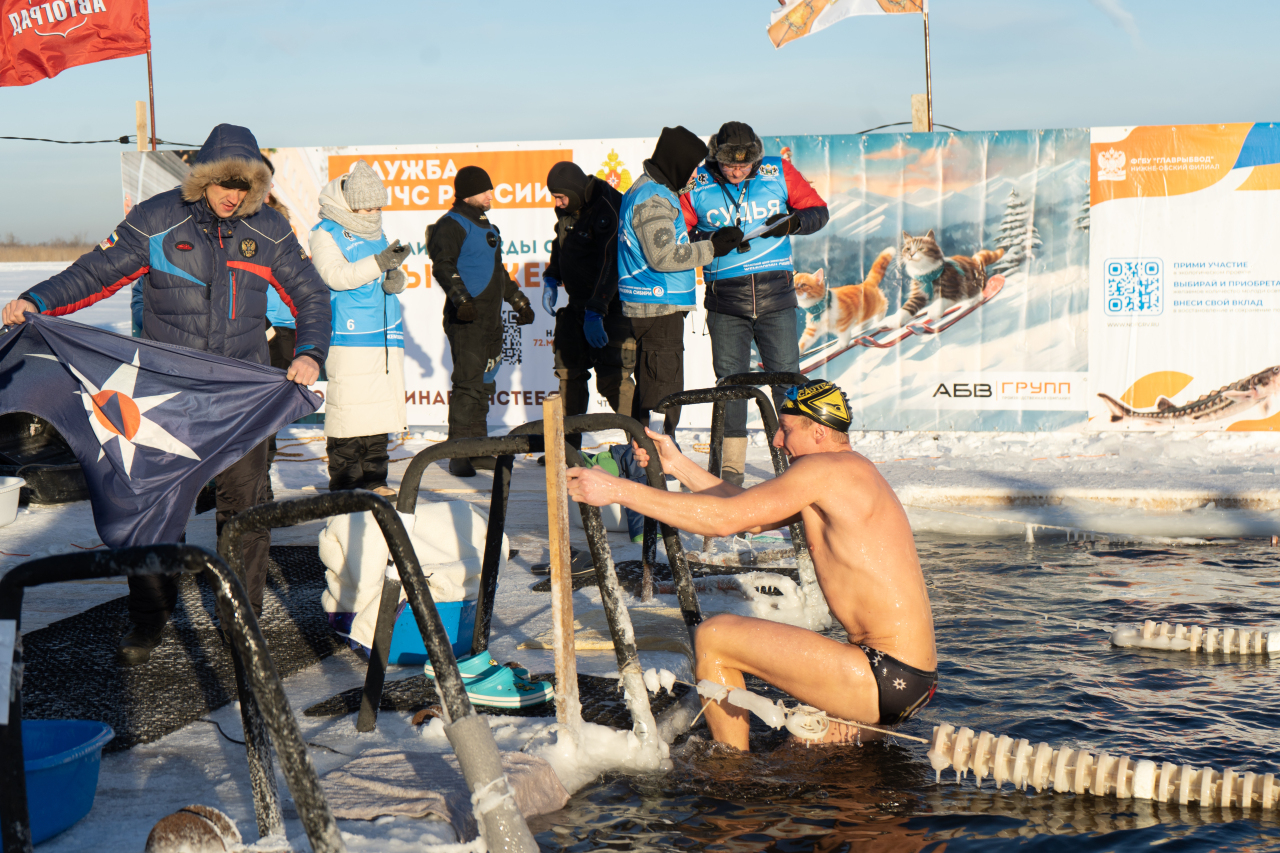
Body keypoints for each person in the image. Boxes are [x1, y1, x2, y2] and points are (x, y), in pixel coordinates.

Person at [1, 123, 331, 666]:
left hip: (239, 396)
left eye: (244, 187)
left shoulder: (269, 228)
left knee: (245, 507)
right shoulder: (158, 218)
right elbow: (97, 272)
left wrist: (311, 351)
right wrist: (38, 298)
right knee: (153, 506)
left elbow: (311, 294)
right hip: (166, 395)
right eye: (225, 183)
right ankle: (150, 616)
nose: (233, 195)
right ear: (202, 178)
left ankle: (240, 619)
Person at [566, 379, 937, 751]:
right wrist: (677, 465)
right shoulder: (846, 472)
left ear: (820, 432)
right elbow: (750, 513)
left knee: (715, 637)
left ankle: (732, 774)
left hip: (880, 673)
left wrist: (616, 490)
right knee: (807, 752)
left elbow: (725, 520)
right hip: (903, 677)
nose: (777, 441)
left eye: (787, 430)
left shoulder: (825, 471)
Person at [681, 121, 829, 485]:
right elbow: (678, 233)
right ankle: (731, 473)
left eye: (744, 167)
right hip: (725, 303)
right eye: (730, 166)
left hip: (775, 296)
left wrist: (792, 223)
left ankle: (797, 464)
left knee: (787, 381)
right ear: (717, 157)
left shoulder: (776, 170)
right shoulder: (697, 181)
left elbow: (818, 211)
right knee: (731, 386)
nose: (737, 172)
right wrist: (710, 237)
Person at [616, 126, 743, 435]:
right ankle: (659, 456)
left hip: (654, 303)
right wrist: (713, 248)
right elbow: (663, 256)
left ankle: (646, 455)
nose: (693, 176)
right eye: (689, 168)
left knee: (654, 384)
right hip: (657, 307)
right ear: (676, 164)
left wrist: (711, 239)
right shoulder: (653, 199)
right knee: (664, 388)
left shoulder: (654, 191)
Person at [309, 160, 409, 498]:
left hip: (384, 335)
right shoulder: (325, 232)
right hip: (349, 337)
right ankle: (347, 482)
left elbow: (376, 276)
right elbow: (335, 276)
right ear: (349, 203)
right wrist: (380, 264)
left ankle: (375, 478)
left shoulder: (377, 232)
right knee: (349, 413)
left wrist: (394, 278)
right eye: (366, 205)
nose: (373, 211)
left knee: (380, 412)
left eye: (377, 205)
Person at [427, 166, 535, 477]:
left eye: (490, 189)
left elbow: (499, 271)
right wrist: (461, 300)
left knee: (485, 384)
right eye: (485, 190)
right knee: (468, 385)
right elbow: (443, 266)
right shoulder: (450, 224)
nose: (491, 195)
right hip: (467, 319)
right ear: (467, 193)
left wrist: (519, 302)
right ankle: (458, 452)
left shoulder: (488, 226)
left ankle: (479, 450)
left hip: (491, 320)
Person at [541, 161, 633, 450]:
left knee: (613, 378)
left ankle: (643, 447)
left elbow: (612, 263)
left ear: (576, 191)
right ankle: (567, 450)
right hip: (577, 306)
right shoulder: (568, 210)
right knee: (569, 374)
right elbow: (562, 246)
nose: (557, 202)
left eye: (560, 196)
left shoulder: (608, 206)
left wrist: (598, 309)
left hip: (610, 307)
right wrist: (552, 276)